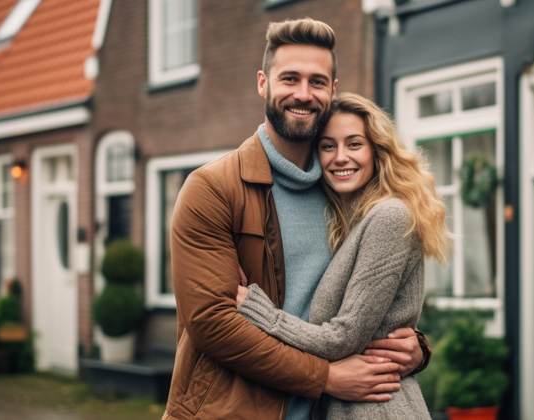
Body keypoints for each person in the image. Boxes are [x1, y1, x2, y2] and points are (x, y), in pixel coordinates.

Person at [162, 18, 430, 420]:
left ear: (333, 91)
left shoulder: (346, 194)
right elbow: (213, 325)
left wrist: (415, 348)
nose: (303, 94)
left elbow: (367, 304)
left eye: (317, 82)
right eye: (289, 79)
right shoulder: (213, 188)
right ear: (262, 83)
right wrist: (325, 377)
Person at [235, 92, 449, 419]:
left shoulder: (389, 217)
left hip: (379, 408)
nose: (340, 157)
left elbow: (342, 338)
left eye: (354, 144)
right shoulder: (353, 221)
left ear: (377, 150)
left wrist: (256, 308)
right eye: (328, 146)